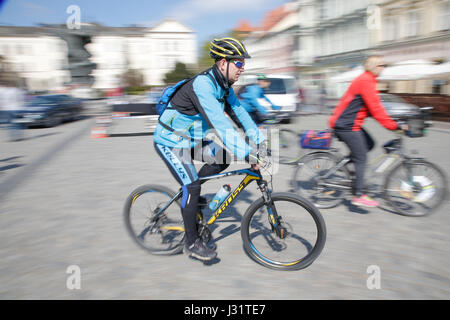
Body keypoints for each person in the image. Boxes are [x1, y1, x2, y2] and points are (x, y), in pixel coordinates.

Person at [153, 37, 266, 261]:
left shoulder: (224, 88)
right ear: (223, 63)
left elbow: (241, 114)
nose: (243, 68)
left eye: (244, 63)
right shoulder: (202, 85)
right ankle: (191, 243)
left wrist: (261, 142)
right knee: (192, 186)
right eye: (239, 63)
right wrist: (247, 153)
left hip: (192, 141)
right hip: (170, 142)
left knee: (223, 157)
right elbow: (221, 125)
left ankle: (192, 199)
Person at [329, 55, 407, 208]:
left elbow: (372, 107)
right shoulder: (366, 80)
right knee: (362, 157)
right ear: (374, 66)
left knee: (370, 144)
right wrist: (395, 126)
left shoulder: (368, 79)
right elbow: (376, 110)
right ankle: (358, 195)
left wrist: (393, 119)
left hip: (350, 123)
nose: (384, 68)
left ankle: (346, 166)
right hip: (346, 125)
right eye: (382, 65)